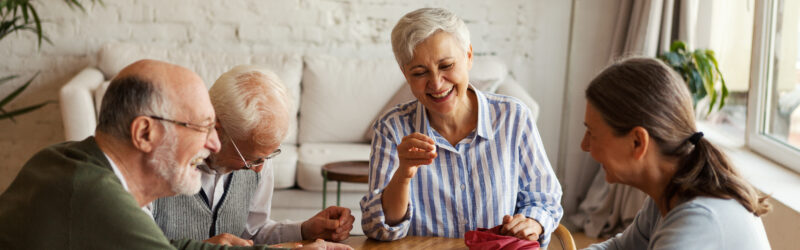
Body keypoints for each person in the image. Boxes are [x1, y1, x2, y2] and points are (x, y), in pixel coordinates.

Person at [0, 59, 349, 250]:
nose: (210, 144)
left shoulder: (65, 161)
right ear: (144, 133)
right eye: (200, 127)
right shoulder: (97, 193)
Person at [359, 7, 563, 246]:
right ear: (405, 73)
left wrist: (532, 222)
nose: (436, 83)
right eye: (419, 72)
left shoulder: (513, 117)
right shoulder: (392, 128)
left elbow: (545, 199)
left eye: (446, 66)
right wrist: (403, 175)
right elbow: (377, 228)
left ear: (468, 56)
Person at [151, 65, 355, 246]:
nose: (259, 168)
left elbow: (253, 232)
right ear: (217, 129)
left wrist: (304, 230)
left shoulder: (259, 157)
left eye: (267, 156)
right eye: (251, 158)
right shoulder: (156, 163)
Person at [581, 57, 771, 249]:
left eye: (592, 133)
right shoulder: (666, 195)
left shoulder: (697, 223)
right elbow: (620, 248)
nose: (584, 145)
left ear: (638, 142)